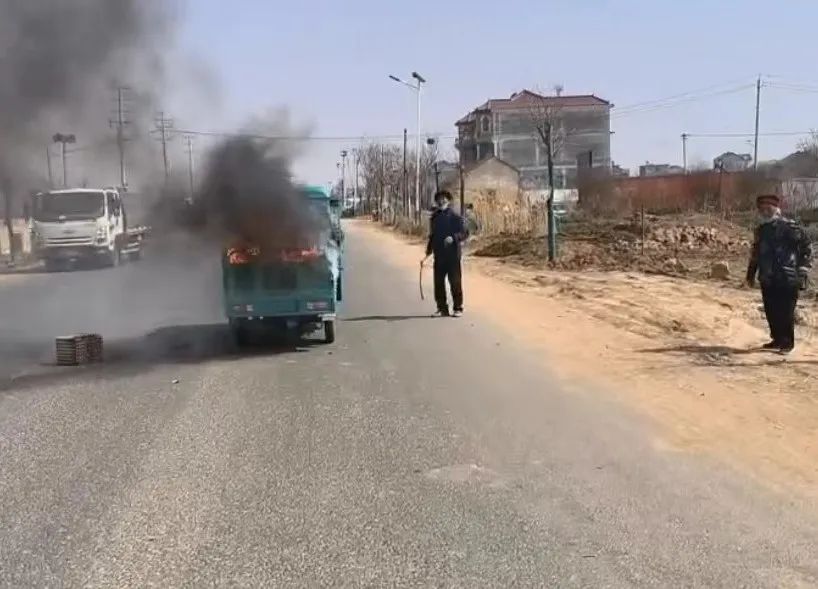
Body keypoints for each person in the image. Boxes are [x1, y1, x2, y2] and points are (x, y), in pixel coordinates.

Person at [745, 193, 812, 353]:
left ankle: (787, 342)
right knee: (771, 310)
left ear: (777, 209)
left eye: (768, 208)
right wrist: (750, 274)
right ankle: (777, 339)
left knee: (786, 311)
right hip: (767, 276)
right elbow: (756, 252)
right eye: (762, 209)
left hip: (788, 276)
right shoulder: (761, 230)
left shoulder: (790, 227)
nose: (765, 212)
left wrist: (803, 270)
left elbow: (806, 247)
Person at [423, 190, 467, 317]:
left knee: (455, 282)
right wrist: (428, 251)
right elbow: (432, 236)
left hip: (453, 256)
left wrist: (453, 238)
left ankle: (458, 307)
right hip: (439, 256)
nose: (441, 201)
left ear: (449, 201)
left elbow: (464, 233)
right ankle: (442, 308)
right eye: (439, 199)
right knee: (438, 283)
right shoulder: (434, 218)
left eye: (444, 199)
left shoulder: (455, 217)